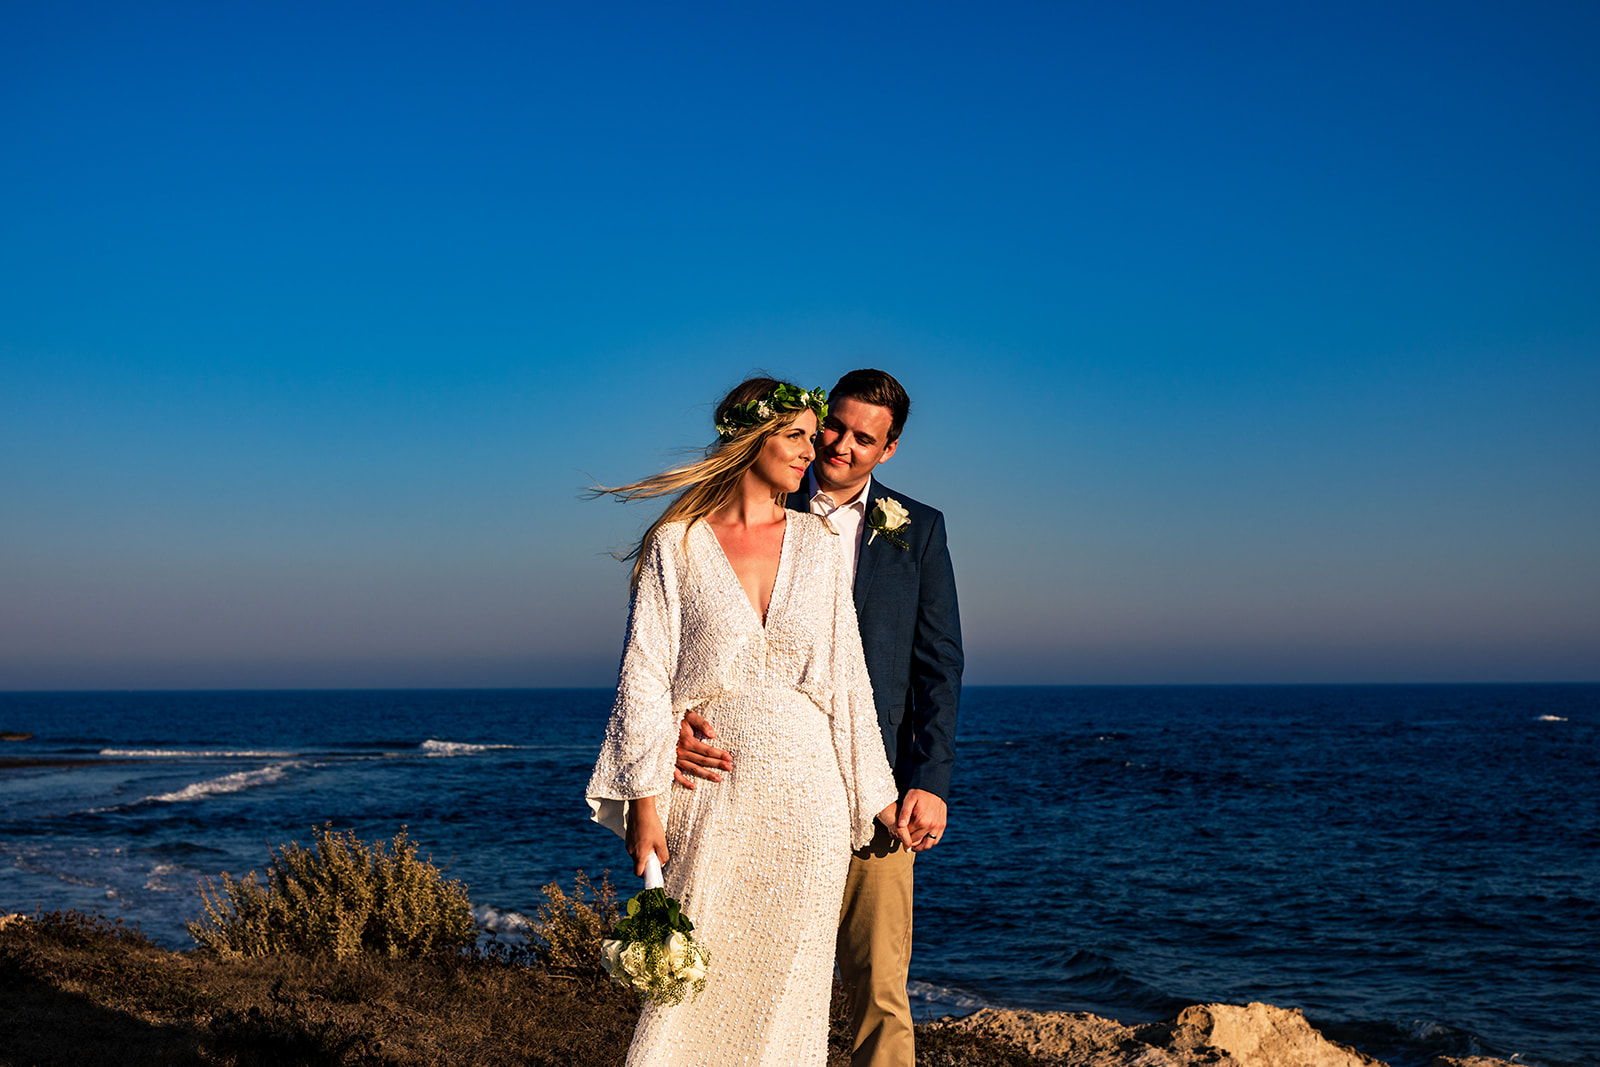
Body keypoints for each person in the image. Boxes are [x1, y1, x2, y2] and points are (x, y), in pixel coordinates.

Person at [585, 377, 904, 1066]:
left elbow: (847, 678)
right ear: (749, 438)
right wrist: (646, 802)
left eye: (811, 435)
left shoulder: (818, 544)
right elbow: (643, 673)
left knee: (790, 994)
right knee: (689, 992)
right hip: (711, 794)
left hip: (809, 803)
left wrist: (881, 797)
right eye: (796, 434)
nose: (813, 448)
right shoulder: (678, 543)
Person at [675, 368, 963, 1067]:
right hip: (759, 785)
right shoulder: (752, 507)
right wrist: (676, 718)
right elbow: (685, 635)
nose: (839, 445)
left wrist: (929, 778)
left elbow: (938, 664)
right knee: (743, 968)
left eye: (864, 437)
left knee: (879, 990)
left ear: (888, 449)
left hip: (877, 788)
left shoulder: (916, 529)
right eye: (833, 425)